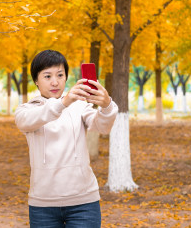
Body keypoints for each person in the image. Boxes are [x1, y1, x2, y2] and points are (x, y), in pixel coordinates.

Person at [14, 50, 118, 228]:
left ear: (66, 77)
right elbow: (29, 121)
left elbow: (102, 127)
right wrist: (64, 102)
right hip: (43, 205)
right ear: (36, 81)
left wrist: (107, 105)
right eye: (47, 76)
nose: (55, 82)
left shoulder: (79, 106)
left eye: (60, 75)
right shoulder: (27, 110)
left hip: (84, 202)